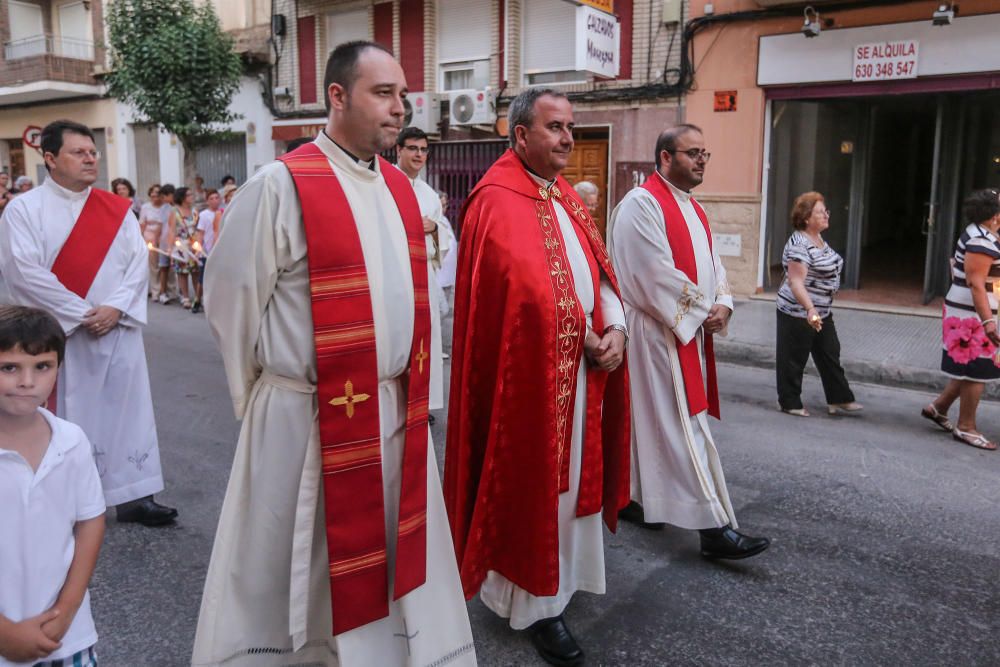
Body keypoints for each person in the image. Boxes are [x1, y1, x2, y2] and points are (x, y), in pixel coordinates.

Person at [194, 41, 475, 667]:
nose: (401, 108)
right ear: (337, 97)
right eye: (384, 93)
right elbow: (230, 298)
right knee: (300, 558)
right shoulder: (282, 185)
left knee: (385, 555)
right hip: (306, 415)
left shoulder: (403, 191)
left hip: (390, 413)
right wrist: (266, 396)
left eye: (403, 94)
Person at [445, 88, 630, 667]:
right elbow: (520, 299)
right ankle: (535, 605)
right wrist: (582, 332)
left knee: (572, 485)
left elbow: (598, 275)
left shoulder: (568, 198)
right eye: (555, 127)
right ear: (520, 134)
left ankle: (562, 584)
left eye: (571, 127)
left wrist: (616, 326)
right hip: (527, 382)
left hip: (580, 376)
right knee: (532, 490)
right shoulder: (494, 201)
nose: (568, 138)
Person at [0, 119, 177, 527]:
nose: (90, 158)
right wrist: (83, 314)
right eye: (78, 152)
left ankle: (135, 495)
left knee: (127, 411)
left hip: (117, 331)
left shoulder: (116, 210)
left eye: (92, 152)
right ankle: (64, 500)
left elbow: (137, 263)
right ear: (49, 159)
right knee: (68, 415)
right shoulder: (23, 210)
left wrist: (115, 309)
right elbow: (24, 271)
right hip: (65, 336)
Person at [607, 123, 770, 560]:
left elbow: (714, 265)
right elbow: (651, 274)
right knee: (682, 427)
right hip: (654, 336)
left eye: (705, 153)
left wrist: (724, 303)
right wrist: (702, 310)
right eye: (692, 152)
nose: (701, 160)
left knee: (653, 426)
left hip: (683, 331)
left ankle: (638, 501)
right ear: (665, 158)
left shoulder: (693, 209)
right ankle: (713, 527)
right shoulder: (641, 205)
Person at [0, 305, 105, 667]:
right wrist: (5, 635)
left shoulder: (71, 441)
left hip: (65, 639)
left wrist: (66, 612)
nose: (27, 382)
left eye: (42, 367)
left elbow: (90, 521)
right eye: (9, 367)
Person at [923, 189, 1000, 451]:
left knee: (969, 369)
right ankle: (966, 427)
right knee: (977, 372)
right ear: (994, 215)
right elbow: (976, 283)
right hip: (973, 315)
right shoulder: (981, 240)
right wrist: (988, 321)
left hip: (970, 310)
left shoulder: (981, 234)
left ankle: (938, 408)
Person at [775, 191, 862, 417]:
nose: (826, 215)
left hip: (822, 310)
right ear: (806, 218)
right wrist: (810, 310)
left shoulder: (819, 240)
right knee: (793, 359)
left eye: (826, 211)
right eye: (820, 212)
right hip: (798, 311)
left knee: (830, 353)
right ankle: (789, 402)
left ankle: (839, 399)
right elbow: (795, 282)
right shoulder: (798, 244)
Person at [394, 126, 451, 413]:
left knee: (424, 342)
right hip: (394, 275)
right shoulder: (385, 184)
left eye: (423, 149)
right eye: (413, 148)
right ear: (399, 150)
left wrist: (435, 228)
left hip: (424, 274)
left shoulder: (429, 194)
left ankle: (421, 404)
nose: (419, 154)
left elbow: (445, 236)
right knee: (398, 338)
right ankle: (395, 403)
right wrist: (418, 226)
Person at [167, 186, 201, 310]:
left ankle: (198, 297)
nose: (192, 197)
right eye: (189, 195)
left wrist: (199, 244)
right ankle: (185, 297)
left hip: (194, 244)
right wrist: (169, 248)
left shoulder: (195, 211)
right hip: (180, 245)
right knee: (182, 272)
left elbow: (198, 228)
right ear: (182, 197)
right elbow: (171, 230)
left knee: (196, 271)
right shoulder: (174, 211)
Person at [436, 190, 458, 296]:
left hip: (448, 275)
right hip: (438, 277)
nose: (444, 209)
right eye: (441, 206)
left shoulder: (444, 220)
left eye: (445, 206)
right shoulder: (433, 220)